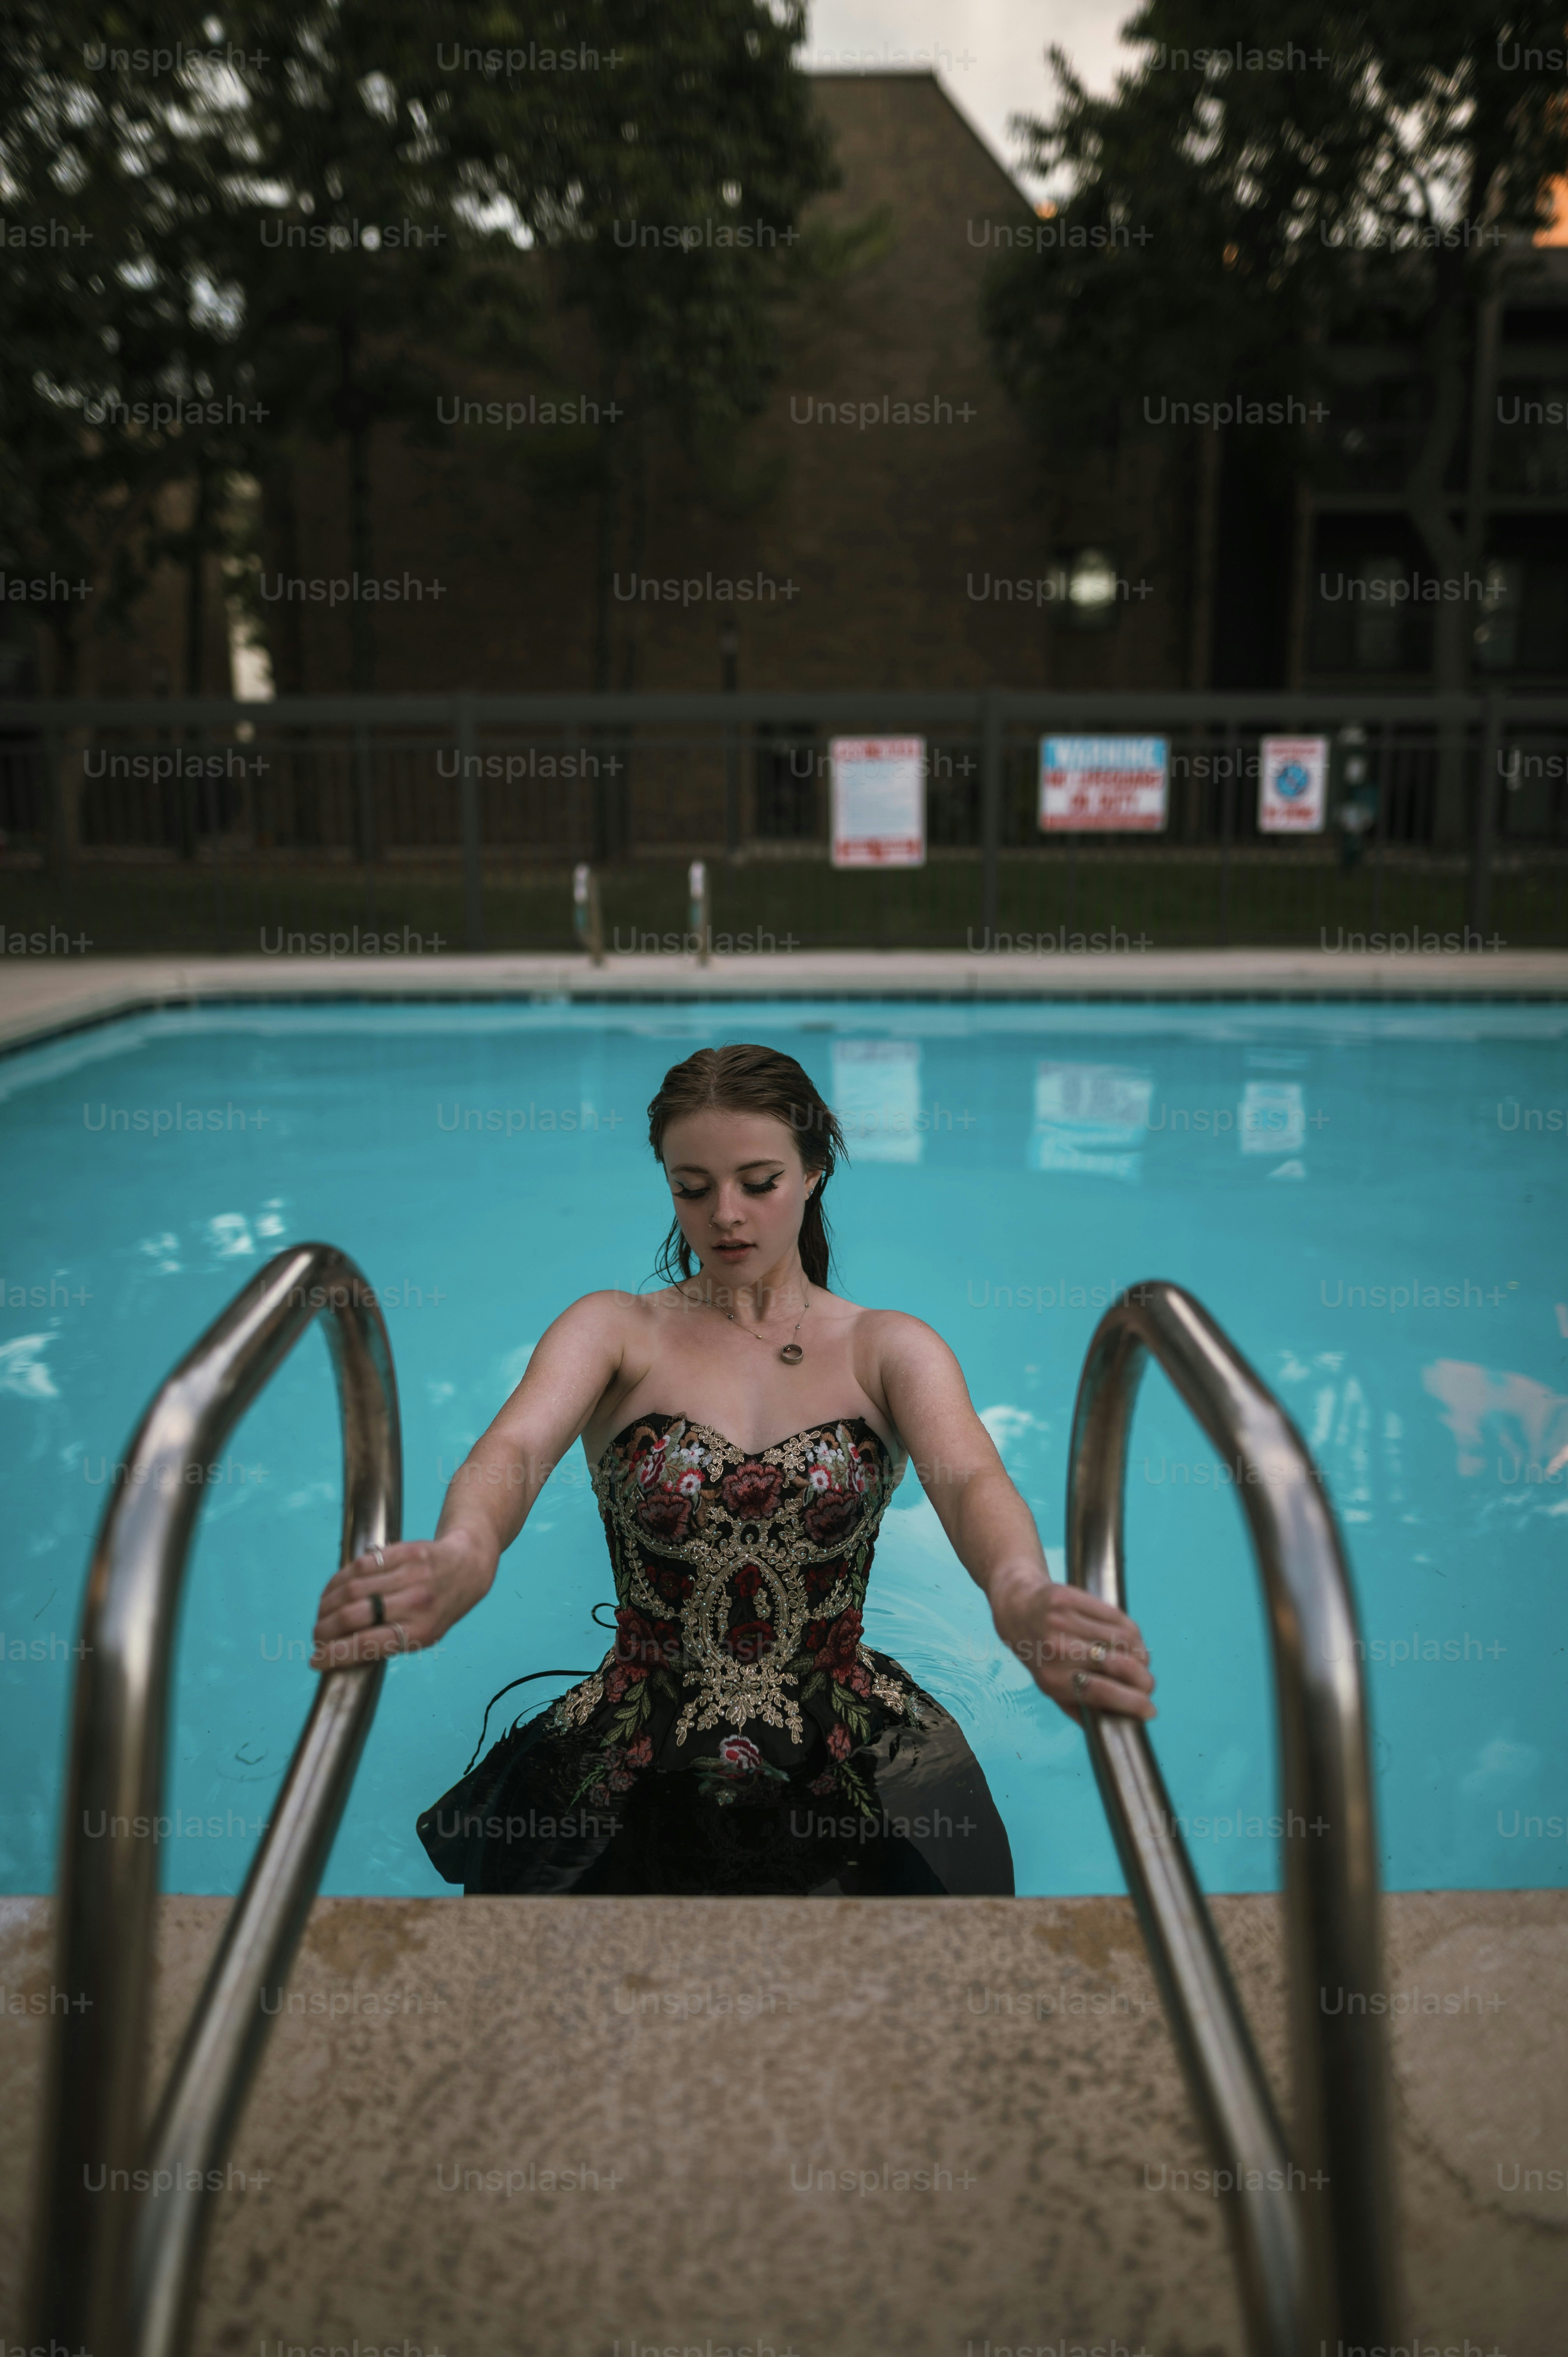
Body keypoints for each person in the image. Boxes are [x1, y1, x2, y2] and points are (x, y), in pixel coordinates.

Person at [309, 1042, 1156, 1896]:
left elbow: (972, 1480)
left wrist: (1018, 1592)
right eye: (691, 1187)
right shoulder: (615, 1331)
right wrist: (466, 1551)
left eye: (758, 1182)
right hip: (638, 1734)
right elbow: (514, 1451)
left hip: (844, 1735)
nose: (725, 1216)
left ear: (815, 1170)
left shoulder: (885, 1349)